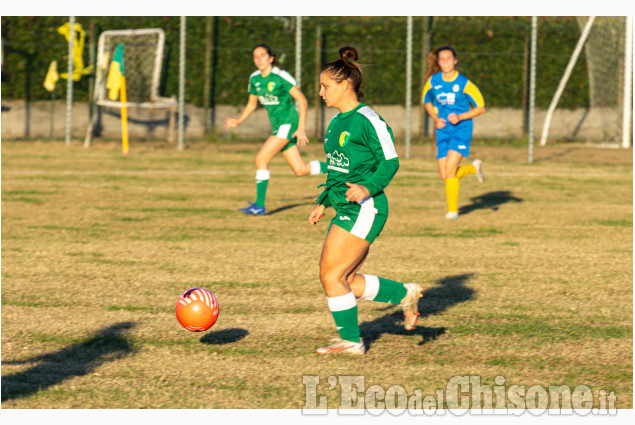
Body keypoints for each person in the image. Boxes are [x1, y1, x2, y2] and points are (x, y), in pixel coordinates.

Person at [308, 46, 423, 356]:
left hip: (365, 207)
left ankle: (351, 341)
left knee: (331, 276)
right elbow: (336, 169)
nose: (320, 92)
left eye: (325, 86)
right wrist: (323, 201)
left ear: (345, 85)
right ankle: (404, 294)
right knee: (345, 279)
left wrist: (367, 188)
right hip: (345, 206)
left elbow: (391, 161)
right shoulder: (335, 123)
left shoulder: (368, 119)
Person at [224, 44, 327, 215]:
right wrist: (238, 121)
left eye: (262, 55)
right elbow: (251, 104)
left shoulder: (281, 76)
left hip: (289, 124)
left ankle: (259, 206)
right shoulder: (255, 79)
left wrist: (301, 128)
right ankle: (339, 168)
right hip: (279, 126)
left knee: (261, 158)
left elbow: (302, 100)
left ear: (271, 58)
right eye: (255, 56)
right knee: (300, 170)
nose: (259, 59)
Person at [422, 46, 486, 220]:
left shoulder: (464, 83)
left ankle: (453, 211)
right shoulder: (433, 81)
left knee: (450, 172)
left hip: (461, 130)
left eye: (448, 58)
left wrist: (461, 116)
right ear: (438, 62)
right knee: (445, 176)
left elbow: (481, 108)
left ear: (455, 61)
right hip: (442, 131)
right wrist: (435, 118)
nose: (445, 62)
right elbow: (427, 101)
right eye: (442, 59)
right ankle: (473, 168)